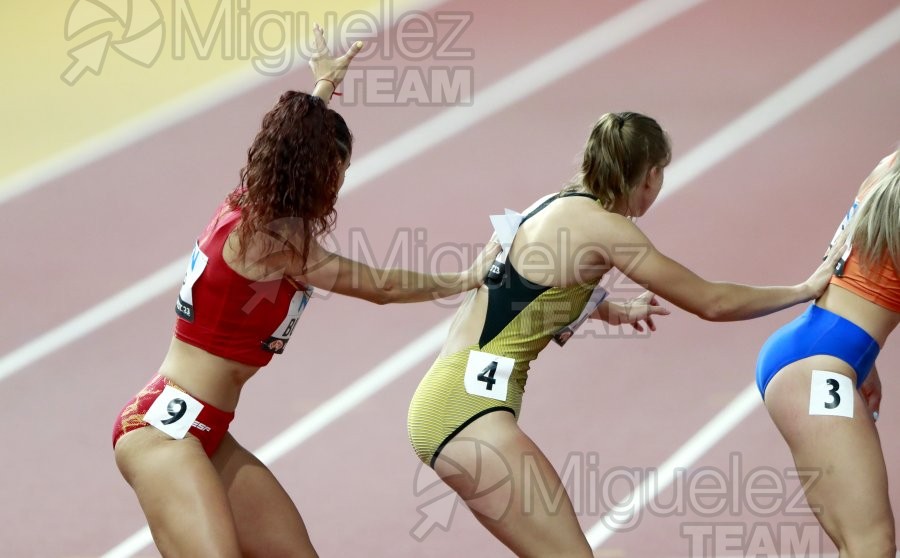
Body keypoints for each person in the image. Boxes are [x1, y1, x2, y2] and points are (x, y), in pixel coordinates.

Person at [112, 26, 498, 558]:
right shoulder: (275, 243)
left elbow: (291, 142)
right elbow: (381, 286)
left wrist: (323, 87)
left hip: (207, 431)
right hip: (161, 432)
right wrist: (463, 278)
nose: (338, 186)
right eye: (335, 173)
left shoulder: (253, 203)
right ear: (315, 173)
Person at [407, 111, 841, 557]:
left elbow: (521, 289)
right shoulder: (609, 229)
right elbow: (711, 301)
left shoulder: (551, 204)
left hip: (449, 401)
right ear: (651, 175)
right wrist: (802, 289)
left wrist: (607, 309)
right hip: (466, 411)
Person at [756, 149, 899, 557]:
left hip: (819, 350)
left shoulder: (890, 165)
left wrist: (862, 361)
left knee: (859, 544)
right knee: (872, 545)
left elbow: (842, 257)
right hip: (818, 373)